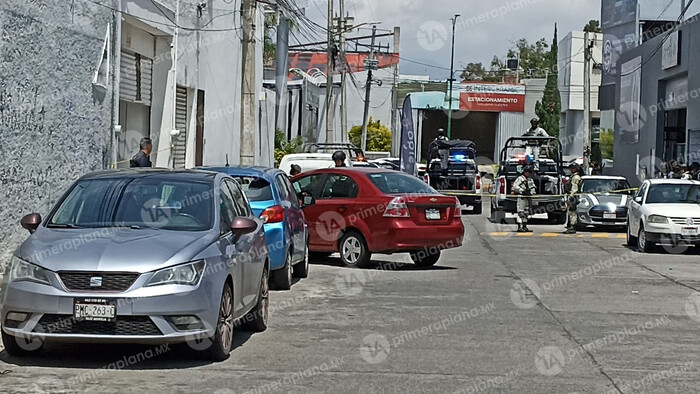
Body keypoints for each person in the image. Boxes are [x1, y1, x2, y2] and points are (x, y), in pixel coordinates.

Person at [512, 165, 536, 233]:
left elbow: (533, 187)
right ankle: (520, 226)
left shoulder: (530, 180)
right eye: (528, 172)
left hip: (528, 198)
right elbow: (515, 186)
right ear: (525, 172)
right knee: (520, 212)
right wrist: (522, 190)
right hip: (521, 197)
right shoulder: (520, 179)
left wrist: (531, 192)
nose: (529, 174)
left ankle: (525, 226)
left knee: (526, 212)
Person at [564, 163, 582, 234]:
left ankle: (572, 227)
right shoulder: (573, 177)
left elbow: (574, 188)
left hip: (573, 197)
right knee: (570, 212)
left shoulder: (575, 177)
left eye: (572, 168)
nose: (571, 169)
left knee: (572, 213)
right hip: (572, 196)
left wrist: (571, 197)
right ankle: (570, 226)